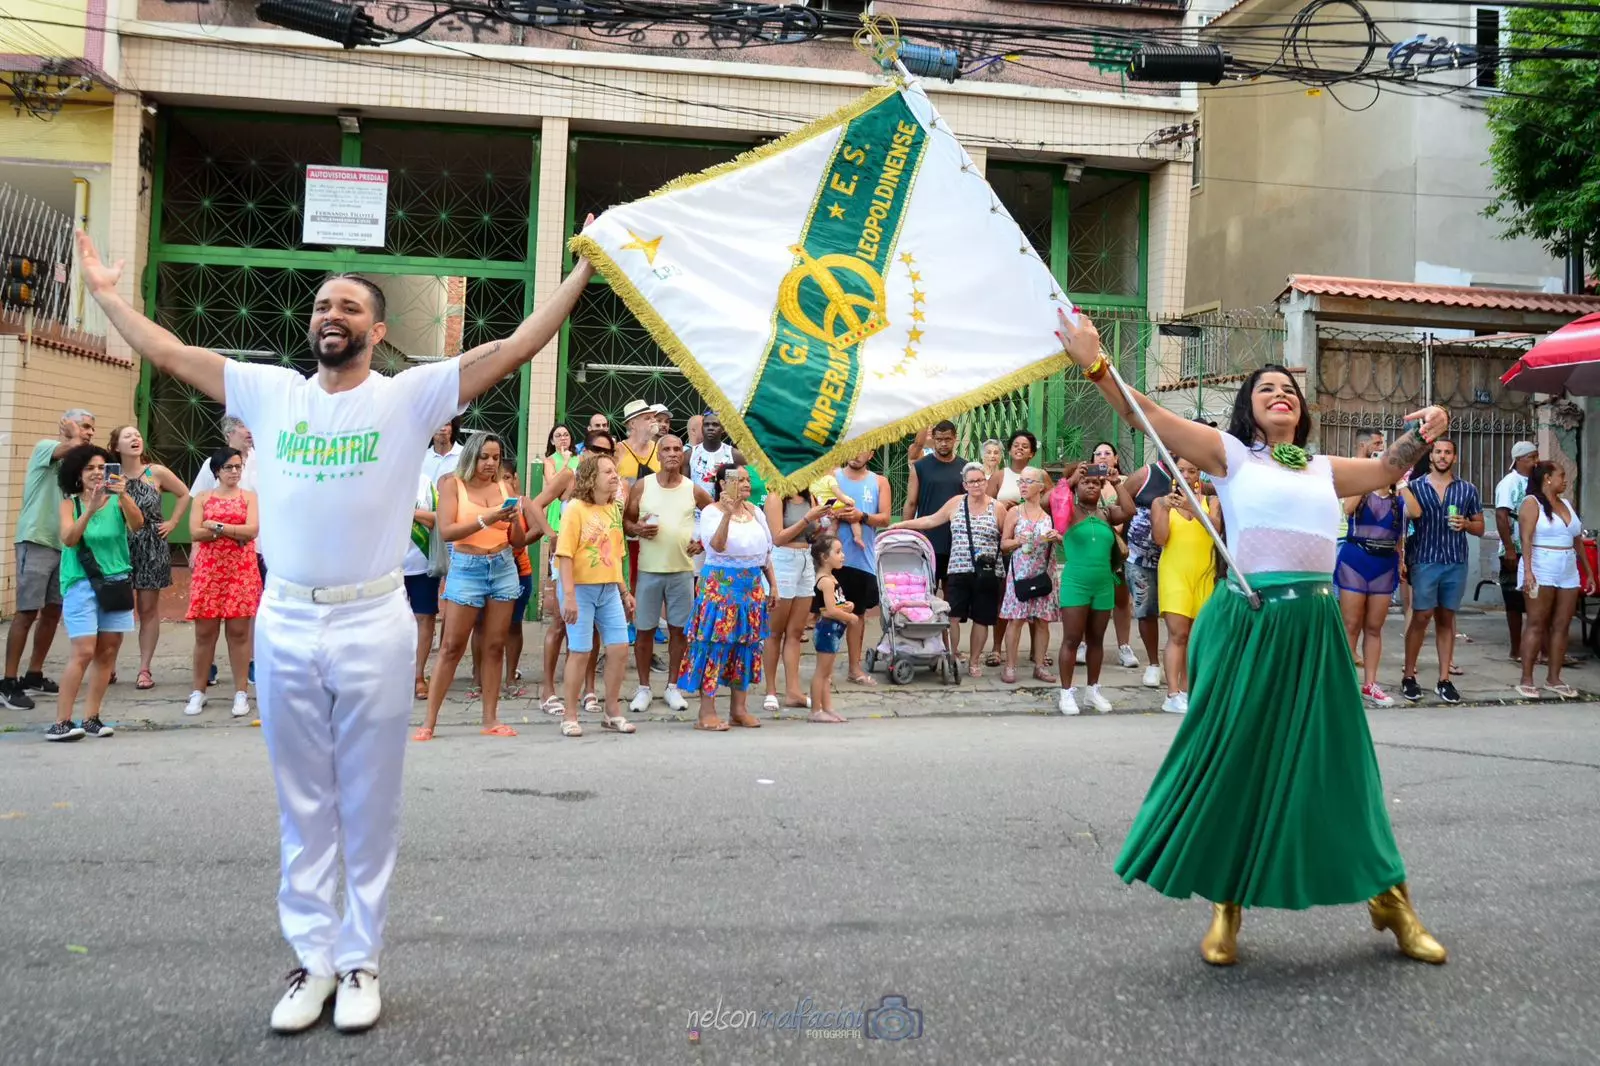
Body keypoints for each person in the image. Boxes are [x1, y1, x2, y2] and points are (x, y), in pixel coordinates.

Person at [78, 226, 594, 1032]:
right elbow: (174, 353)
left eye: (349, 306)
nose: (332, 314)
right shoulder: (271, 393)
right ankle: (311, 962)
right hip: (283, 614)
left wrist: (585, 269)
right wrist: (109, 296)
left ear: (376, 331)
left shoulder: (407, 397)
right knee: (303, 802)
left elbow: (520, 343)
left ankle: (359, 962)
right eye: (323, 304)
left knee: (367, 798)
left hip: (374, 617)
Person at [1059, 307, 1451, 968]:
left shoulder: (1324, 469)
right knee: (1234, 765)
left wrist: (1428, 429)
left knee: (1343, 770)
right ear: (1248, 408)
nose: (1280, 395)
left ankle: (1391, 900)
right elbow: (1146, 417)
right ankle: (1226, 903)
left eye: (1290, 391)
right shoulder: (1230, 456)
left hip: (1317, 630)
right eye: (1267, 389)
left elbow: (1389, 468)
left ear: (1301, 412)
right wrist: (1097, 365)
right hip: (1250, 625)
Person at [415, 432, 524, 741]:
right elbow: (447, 531)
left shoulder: (505, 486)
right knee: (451, 647)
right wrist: (487, 519)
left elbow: (516, 541)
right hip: (466, 566)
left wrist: (514, 520)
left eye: (496, 458)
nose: (490, 464)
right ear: (471, 456)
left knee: (494, 645)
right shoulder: (452, 484)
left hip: (502, 566)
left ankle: (490, 719)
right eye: (484, 457)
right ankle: (429, 722)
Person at [3, 409, 96, 711]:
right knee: (27, 611)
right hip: (37, 539)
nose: (89, 433)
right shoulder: (46, 448)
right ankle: (7, 682)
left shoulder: (74, 464)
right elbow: (69, 447)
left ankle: (34, 673)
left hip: (63, 544)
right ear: (67, 426)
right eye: (84, 426)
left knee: (53, 611)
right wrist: (72, 434)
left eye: (92, 428)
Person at [48, 443, 141, 740]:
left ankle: (92, 718)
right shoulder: (70, 505)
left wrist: (123, 494)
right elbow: (70, 539)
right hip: (81, 583)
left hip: (116, 582)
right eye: (89, 468)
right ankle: (61, 721)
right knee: (84, 650)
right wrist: (89, 508)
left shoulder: (118, 502)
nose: (97, 473)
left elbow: (138, 525)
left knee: (108, 652)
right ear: (77, 473)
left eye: (102, 467)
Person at [681, 462, 775, 732]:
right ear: (723, 484)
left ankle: (738, 709)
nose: (746, 484)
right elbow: (717, 545)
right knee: (714, 646)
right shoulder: (711, 512)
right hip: (720, 588)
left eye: (747, 480)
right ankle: (706, 713)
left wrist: (773, 587)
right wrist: (727, 513)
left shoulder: (756, 512)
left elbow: (766, 553)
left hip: (750, 588)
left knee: (745, 646)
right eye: (739, 480)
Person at [892, 462, 1006, 676]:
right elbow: (932, 520)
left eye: (980, 480)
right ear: (964, 484)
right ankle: (954, 655)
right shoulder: (956, 503)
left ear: (986, 481)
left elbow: (1006, 538)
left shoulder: (997, 507)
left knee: (982, 618)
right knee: (952, 615)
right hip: (958, 568)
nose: (976, 485)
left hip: (988, 572)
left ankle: (974, 662)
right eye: (971, 481)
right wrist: (902, 524)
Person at [623, 433, 709, 715]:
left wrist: (704, 542)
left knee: (678, 630)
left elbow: (714, 515)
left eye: (677, 449)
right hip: (649, 570)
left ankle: (673, 686)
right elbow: (625, 521)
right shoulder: (642, 486)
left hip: (682, 571)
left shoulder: (692, 489)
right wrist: (638, 530)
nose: (672, 453)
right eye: (666, 449)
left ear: (682, 456)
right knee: (644, 630)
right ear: (658, 455)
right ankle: (644, 688)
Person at [555, 452, 637, 737]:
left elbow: (616, 554)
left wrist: (625, 591)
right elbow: (564, 554)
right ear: (591, 478)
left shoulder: (613, 508)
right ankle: (570, 714)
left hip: (609, 589)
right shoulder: (575, 508)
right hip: (579, 589)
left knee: (619, 648)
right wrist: (569, 597)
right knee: (580, 651)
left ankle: (611, 710)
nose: (615, 476)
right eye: (607, 472)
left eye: (615, 471)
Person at [1398, 439, 1483, 705]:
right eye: (1438, 452)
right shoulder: (1415, 487)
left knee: (1447, 618)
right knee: (1421, 616)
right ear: (1431, 456)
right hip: (1424, 559)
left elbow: (1479, 527)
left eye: (1448, 452)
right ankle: (1409, 676)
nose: (1443, 456)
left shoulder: (1467, 489)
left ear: (1454, 458)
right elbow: (1401, 524)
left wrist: (1467, 523)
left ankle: (1444, 680)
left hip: (1455, 561)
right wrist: (1401, 557)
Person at [108, 424, 190, 691]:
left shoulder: (156, 472)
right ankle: (108, 665)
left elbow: (184, 493)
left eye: (138, 435)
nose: (135, 439)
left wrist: (173, 522)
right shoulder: (112, 474)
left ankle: (144, 668)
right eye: (128, 436)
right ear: (116, 446)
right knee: (118, 608)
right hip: (118, 545)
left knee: (147, 609)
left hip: (152, 545)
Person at [532, 428, 607, 716]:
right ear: (583, 451)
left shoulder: (606, 485)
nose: (600, 457)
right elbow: (534, 504)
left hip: (597, 563)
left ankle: (589, 689)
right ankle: (548, 689)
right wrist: (551, 534)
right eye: (595, 450)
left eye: (606, 452)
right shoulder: (569, 476)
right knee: (561, 623)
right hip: (566, 561)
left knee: (595, 625)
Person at [184, 448, 262, 719]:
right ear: (216, 471)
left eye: (238, 466)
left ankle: (241, 692)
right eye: (228, 467)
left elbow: (252, 531)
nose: (234, 472)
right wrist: (233, 532)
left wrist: (216, 527)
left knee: (239, 633)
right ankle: (198, 690)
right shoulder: (203, 497)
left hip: (240, 570)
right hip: (210, 571)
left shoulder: (249, 497)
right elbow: (194, 531)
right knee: (204, 634)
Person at [1053, 464, 1134, 715]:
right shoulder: (1068, 511)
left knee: (1097, 640)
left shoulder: (1107, 513)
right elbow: (1049, 499)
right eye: (1085, 482)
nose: (1091, 485)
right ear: (1077, 487)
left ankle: (1092, 690)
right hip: (1076, 583)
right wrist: (1070, 478)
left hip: (1103, 584)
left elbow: (1129, 510)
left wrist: (1116, 482)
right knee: (1072, 638)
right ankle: (1066, 693)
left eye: (1096, 483)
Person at [1515, 462, 1593, 699]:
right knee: (1536, 622)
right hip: (1541, 563)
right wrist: (1528, 571)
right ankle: (1527, 678)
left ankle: (1554, 678)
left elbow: (1577, 539)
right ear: (1547, 478)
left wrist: (1587, 571)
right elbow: (1525, 539)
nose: (1565, 480)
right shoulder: (1532, 503)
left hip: (1567, 566)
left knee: (1562, 624)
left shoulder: (1566, 503)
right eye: (1561, 475)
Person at [1336, 478, 1415, 707]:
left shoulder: (1397, 500)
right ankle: (1345, 683)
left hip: (1384, 563)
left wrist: (1401, 484)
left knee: (1374, 627)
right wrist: (1367, 479)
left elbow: (1416, 512)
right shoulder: (1363, 492)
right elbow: (1347, 509)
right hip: (1355, 559)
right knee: (1350, 625)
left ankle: (1370, 684)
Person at [1152, 458, 1223, 715]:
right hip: (1174, 572)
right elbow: (1161, 538)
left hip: (1204, 573)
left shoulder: (1211, 501)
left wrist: (1193, 507)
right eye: (1180, 470)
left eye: (1191, 471)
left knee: (1198, 636)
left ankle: (1190, 690)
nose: (1185, 475)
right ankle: (1172, 693)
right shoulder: (1161, 503)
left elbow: (1216, 529)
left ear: (1198, 474)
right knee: (1178, 634)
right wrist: (1163, 507)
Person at [763, 488, 831, 712]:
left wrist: (819, 524)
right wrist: (807, 519)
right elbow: (778, 537)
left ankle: (793, 691)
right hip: (783, 560)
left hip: (805, 559)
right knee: (775, 631)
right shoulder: (776, 498)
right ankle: (771, 691)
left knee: (795, 631)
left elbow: (810, 534)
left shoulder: (809, 497)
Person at [988, 431, 1049, 670]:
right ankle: (996, 648)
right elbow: (987, 502)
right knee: (1006, 599)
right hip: (1005, 544)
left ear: (1032, 452)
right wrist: (1003, 507)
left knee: (1036, 599)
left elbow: (1051, 500)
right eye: (1015, 445)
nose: (1020, 449)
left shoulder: (1040, 475)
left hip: (1036, 548)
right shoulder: (1001, 475)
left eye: (1025, 446)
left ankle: (1037, 653)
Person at [831, 452, 890, 685]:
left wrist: (861, 516)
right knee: (830, 615)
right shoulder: (832, 476)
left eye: (863, 449)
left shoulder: (879, 481)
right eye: (853, 447)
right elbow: (820, 508)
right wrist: (837, 514)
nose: (856, 454)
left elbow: (885, 518)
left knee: (857, 616)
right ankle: (825, 670)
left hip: (862, 560)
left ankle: (854, 668)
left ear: (872, 453)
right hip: (832, 561)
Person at [1117, 455, 1175, 690]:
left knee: (1178, 614)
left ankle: (1178, 662)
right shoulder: (1147, 473)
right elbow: (1123, 504)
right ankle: (1153, 664)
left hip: (1178, 556)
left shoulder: (1198, 474)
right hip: (1141, 558)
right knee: (1146, 609)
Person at [997, 466, 1059, 685]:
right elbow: (1004, 544)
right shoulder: (1015, 512)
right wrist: (1017, 541)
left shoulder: (1047, 515)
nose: (1023, 486)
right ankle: (1011, 666)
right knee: (1016, 619)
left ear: (1040, 487)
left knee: (1042, 621)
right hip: (1020, 573)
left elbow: (1061, 539)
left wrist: (1055, 536)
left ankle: (1040, 665)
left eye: (1028, 482)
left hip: (1042, 572)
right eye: (1020, 482)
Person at [1090, 440, 1141, 672]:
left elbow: (1130, 510)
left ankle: (1124, 646)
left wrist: (1114, 484)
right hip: (1091, 548)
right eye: (1098, 453)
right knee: (1088, 599)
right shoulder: (1087, 481)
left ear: (1116, 458)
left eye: (1107, 453)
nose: (1102, 457)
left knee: (1121, 598)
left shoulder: (1125, 482)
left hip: (1117, 550)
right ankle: (1084, 643)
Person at [1495, 441, 1540, 660]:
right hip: (1515, 550)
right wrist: (1510, 549)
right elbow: (1502, 516)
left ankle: (1536, 650)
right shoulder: (1510, 483)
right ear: (1520, 459)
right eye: (1531, 457)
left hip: (1534, 550)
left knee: (1535, 599)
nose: (1535, 462)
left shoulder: (1536, 481)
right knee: (1513, 602)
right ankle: (1515, 650)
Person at [808, 534, 859, 724]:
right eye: (837, 552)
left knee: (827, 674)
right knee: (822, 672)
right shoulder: (826, 582)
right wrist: (850, 617)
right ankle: (816, 710)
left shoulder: (831, 578)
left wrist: (848, 606)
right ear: (824, 557)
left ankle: (827, 708)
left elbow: (835, 605)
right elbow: (829, 611)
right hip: (828, 630)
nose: (842, 556)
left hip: (834, 630)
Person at [404, 469, 441, 701]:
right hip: (386, 565)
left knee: (424, 618)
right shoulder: (380, 478)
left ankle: (418, 676)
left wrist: (408, 512)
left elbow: (436, 518)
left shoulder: (425, 481)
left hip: (420, 562)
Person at [420, 418, 463, 486]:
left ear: (453, 428)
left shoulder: (465, 455)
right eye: (438, 424)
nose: (442, 429)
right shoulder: (421, 457)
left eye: (447, 424)